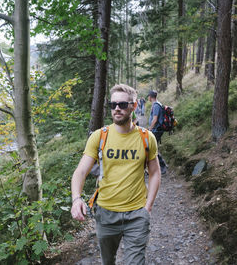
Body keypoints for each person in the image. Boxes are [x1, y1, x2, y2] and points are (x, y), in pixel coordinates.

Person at [71, 84, 161, 265]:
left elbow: (155, 172)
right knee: (108, 261)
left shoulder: (146, 138)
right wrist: (76, 199)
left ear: (134, 106)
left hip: (136, 215)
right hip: (106, 215)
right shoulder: (99, 136)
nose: (117, 108)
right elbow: (80, 171)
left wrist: (148, 208)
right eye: (113, 105)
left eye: (122, 104)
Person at [147, 90, 168, 175]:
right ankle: (158, 166)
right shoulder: (157, 104)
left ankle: (162, 166)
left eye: (148, 96)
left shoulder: (156, 106)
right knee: (153, 148)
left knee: (152, 148)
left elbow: (155, 119)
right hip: (157, 129)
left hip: (156, 130)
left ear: (150, 97)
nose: (148, 97)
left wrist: (149, 129)